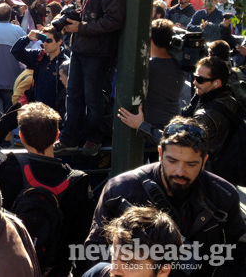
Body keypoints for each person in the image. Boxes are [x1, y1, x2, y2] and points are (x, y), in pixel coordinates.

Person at [86, 116, 246, 276]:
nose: (180, 171)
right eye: (172, 160)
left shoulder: (224, 196)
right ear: (160, 153)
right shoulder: (121, 189)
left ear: (204, 161)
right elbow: (96, 248)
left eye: (191, 164)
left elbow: (238, 254)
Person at [0, 102, 94, 277]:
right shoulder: (79, 182)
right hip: (56, 272)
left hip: (10, 267)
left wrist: (13, 115)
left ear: (21, 137)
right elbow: (84, 240)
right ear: (57, 135)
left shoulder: (8, 167)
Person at [118, 56, 240, 184]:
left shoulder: (206, 115)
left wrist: (141, 126)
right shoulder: (228, 99)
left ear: (216, 83)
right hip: (222, 175)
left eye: (200, 79)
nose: (194, 82)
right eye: (194, 77)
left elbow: (177, 143)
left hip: (208, 179)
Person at [56, 0, 126, 156]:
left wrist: (81, 28)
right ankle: (69, 137)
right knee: (73, 95)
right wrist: (71, 20)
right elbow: (89, 12)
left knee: (93, 99)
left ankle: (93, 139)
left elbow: (114, 20)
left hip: (97, 52)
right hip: (81, 48)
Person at [82, 207, 183, 277]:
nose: (114, 270)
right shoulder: (99, 273)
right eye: (114, 256)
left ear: (163, 271)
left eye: (130, 264)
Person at [11, 26, 69, 111]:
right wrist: (28, 38)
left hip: (55, 114)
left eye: (49, 41)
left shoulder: (66, 63)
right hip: (37, 112)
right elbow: (15, 51)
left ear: (60, 41)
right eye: (43, 40)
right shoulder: (39, 56)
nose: (44, 44)